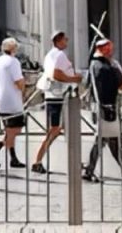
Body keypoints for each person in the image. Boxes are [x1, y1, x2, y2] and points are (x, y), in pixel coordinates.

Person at [83, 38, 122, 182]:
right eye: (109, 49)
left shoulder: (93, 65)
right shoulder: (107, 67)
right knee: (102, 140)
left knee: (111, 140)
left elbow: (86, 83)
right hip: (107, 108)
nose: (111, 52)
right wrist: (116, 67)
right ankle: (89, 171)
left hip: (98, 107)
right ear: (103, 50)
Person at [32, 31, 81, 173]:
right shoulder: (59, 55)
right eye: (65, 39)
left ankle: (75, 160)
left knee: (60, 130)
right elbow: (56, 74)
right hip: (58, 96)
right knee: (54, 129)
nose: (67, 41)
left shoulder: (51, 55)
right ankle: (38, 160)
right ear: (59, 41)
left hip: (56, 95)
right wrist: (73, 79)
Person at [0, 38, 27, 169]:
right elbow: (19, 82)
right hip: (12, 101)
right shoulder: (13, 62)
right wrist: (23, 88)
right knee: (15, 130)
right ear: (13, 48)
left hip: (0, 99)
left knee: (9, 130)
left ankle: (13, 158)